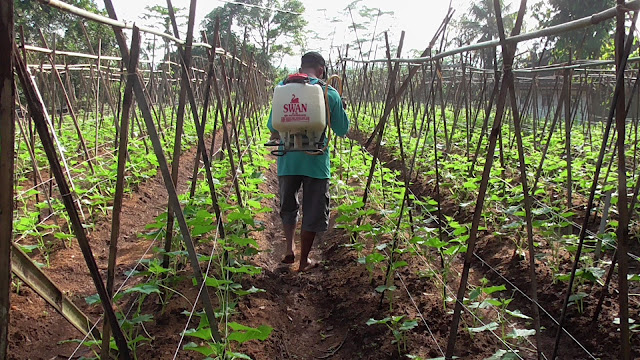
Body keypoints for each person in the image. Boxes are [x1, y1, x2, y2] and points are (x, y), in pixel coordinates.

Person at [266, 51, 350, 272]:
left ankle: (288, 247)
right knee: (313, 210)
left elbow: (272, 127)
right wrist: (341, 106)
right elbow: (342, 130)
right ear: (321, 70)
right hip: (316, 161)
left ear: (302, 67)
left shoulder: (283, 90)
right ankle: (304, 262)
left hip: (288, 159)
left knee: (289, 205)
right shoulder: (328, 93)